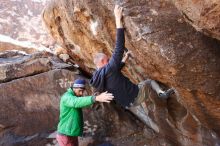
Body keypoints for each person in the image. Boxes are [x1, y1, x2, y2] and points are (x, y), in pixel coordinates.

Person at [90, 5, 174, 109]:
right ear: (102, 61)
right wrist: (117, 18)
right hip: (136, 96)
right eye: (108, 59)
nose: (109, 60)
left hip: (127, 104)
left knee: (139, 84)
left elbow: (117, 68)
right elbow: (119, 47)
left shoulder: (98, 79)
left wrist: (126, 57)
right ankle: (161, 93)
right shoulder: (109, 69)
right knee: (150, 82)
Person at [56, 79, 114, 146]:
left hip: (71, 134)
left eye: (82, 91)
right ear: (74, 88)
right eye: (80, 91)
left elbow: (82, 102)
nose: (81, 93)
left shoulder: (74, 96)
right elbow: (75, 102)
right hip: (65, 135)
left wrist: (96, 98)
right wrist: (95, 98)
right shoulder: (67, 97)